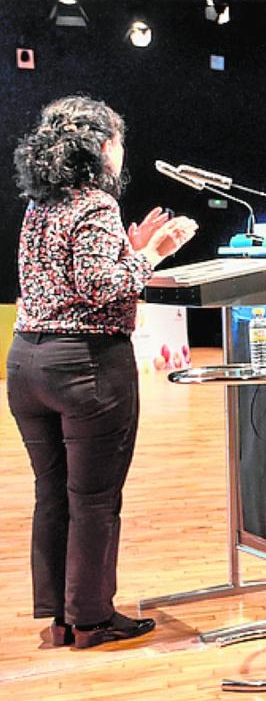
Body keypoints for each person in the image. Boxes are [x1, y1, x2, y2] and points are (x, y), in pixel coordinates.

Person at [7, 96, 198, 649]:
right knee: (93, 499)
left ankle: (62, 615)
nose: (121, 151)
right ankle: (91, 619)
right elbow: (99, 286)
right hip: (84, 365)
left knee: (53, 493)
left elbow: (72, 275)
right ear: (100, 147)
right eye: (118, 140)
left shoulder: (40, 206)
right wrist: (155, 253)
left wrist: (129, 248)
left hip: (28, 363)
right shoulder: (93, 203)